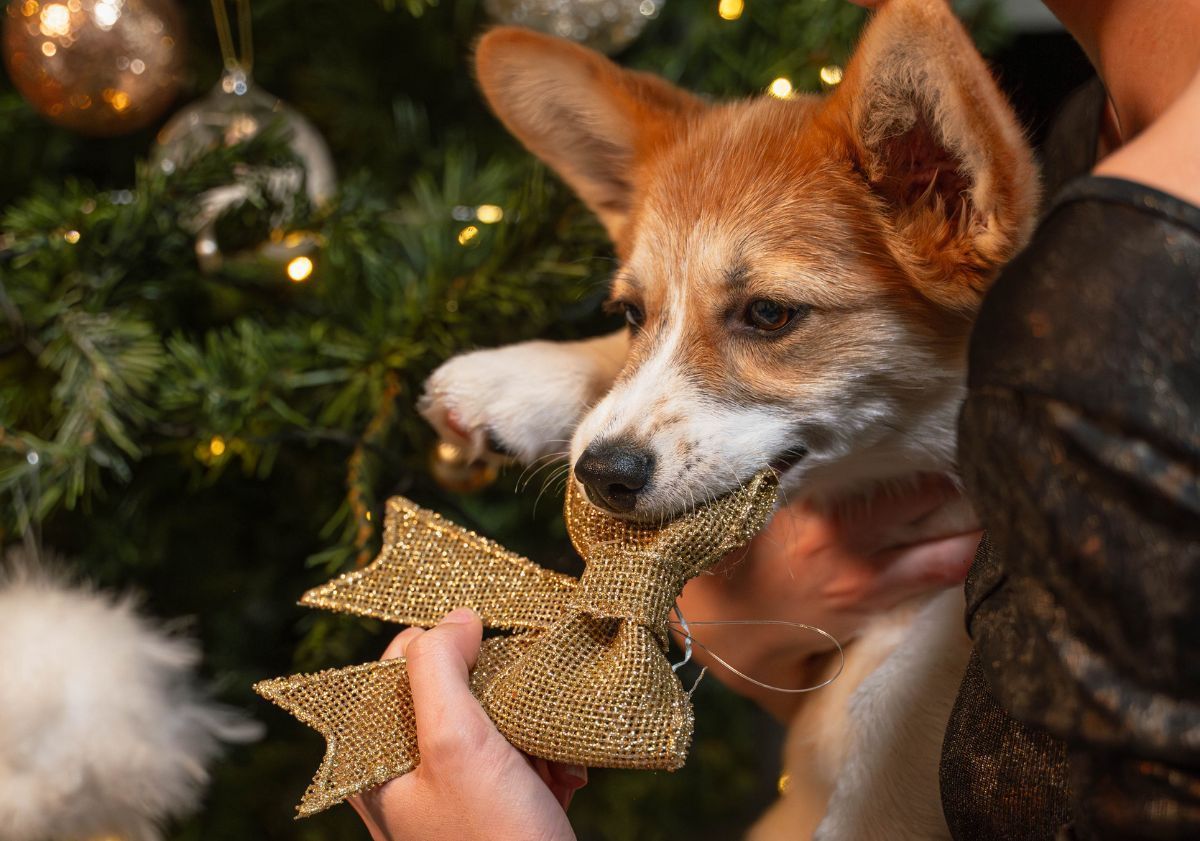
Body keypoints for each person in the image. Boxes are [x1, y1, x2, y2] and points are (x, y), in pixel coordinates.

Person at [349, 1, 1200, 837]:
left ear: (944, 193)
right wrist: (735, 619)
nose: (630, 422)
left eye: (766, 316)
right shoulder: (1088, 123)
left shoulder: (1124, 258)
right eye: (633, 316)